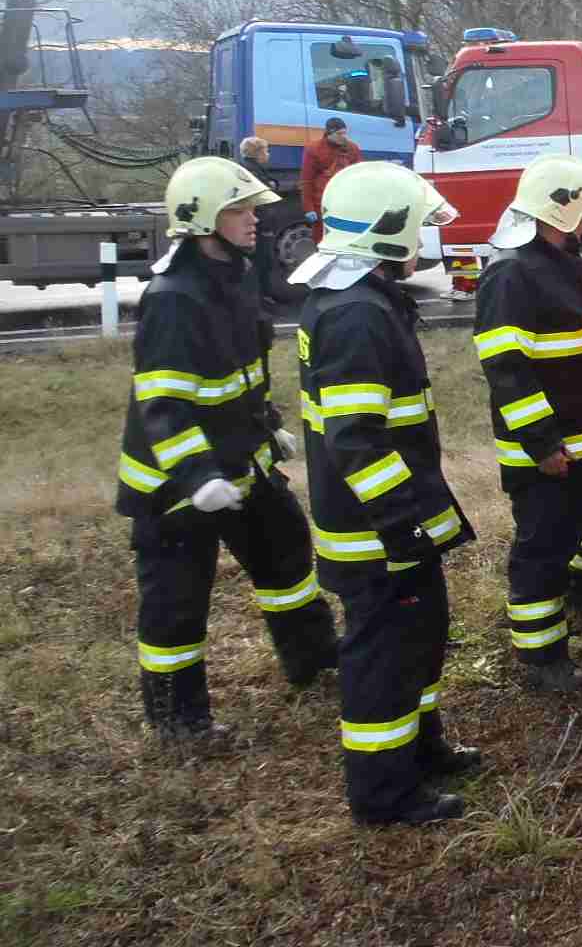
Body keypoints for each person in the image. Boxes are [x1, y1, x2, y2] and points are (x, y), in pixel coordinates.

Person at [117, 157, 339, 751]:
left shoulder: (238, 276)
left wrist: (268, 427)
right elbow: (163, 403)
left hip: (243, 462)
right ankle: (177, 721)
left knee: (286, 557)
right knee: (176, 602)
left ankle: (314, 659)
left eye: (251, 210)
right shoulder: (171, 297)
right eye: (239, 211)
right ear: (201, 220)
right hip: (175, 485)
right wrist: (196, 477)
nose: (254, 221)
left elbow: (242, 373)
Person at [292, 161, 480, 826]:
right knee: (382, 653)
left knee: (421, 635)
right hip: (376, 531)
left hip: (392, 519)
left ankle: (421, 749)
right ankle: (384, 792)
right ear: (384, 231)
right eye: (417, 225)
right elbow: (356, 440)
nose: (426, 238)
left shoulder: (362, 298)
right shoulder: (355, 314)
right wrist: (400, 524)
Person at [474, 156, 582, 696]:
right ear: (560, 212)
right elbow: (506, 369)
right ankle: (542, 655)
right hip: (547, 449)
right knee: (544, 547)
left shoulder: (571, 266)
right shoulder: (512, 274)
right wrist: (541, 444)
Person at [238, 136, 285, 303]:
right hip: (260, 225)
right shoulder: (252, 171)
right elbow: (261, 199)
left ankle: (262, 295)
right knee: (261, 262)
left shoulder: (251, 168)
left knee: (262, 262)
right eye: (266, 151)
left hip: (260, 224)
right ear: (257, 153)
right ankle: (260, 298)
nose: (268, 154)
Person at [301, 117, 362, 240]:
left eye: (345, 133)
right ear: (329, 133)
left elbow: (359, 175)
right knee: (322, 239)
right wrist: (309, 208)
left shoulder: (352, 148)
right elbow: (307, 181)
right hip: (322, 203)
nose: (343, 137)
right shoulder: (314, 149)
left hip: (346, 202)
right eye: (339, 134)